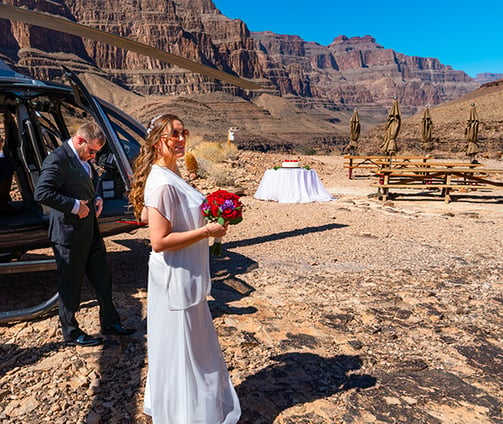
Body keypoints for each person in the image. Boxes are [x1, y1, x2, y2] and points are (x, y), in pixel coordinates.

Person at [129, 114, 241, 423]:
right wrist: (208, 232)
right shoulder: (162, 183)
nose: (180, 139)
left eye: (183, 132)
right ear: (157, 142)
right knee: (181, 351)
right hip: (174, 279)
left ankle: (185, 406)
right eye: (173, 135)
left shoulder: (172, 173)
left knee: (190, 348)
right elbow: (159, 241)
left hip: (185, 275)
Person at [34, 122, 135, 347]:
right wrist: (73, 205)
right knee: (70, 284)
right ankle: (71, 332)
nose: (93, 156)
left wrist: (96, 197)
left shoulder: (83, 157)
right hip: (68, 235)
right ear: (80, 140)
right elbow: (42, 192)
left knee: (103, 278)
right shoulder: (58, 159)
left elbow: (91, 180)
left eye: (97, 153)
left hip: (90, 231)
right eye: (91, 151)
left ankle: (110, 322)